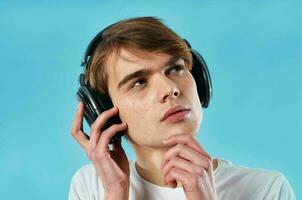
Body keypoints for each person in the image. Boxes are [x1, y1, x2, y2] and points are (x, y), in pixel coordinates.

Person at [69, 16, 295, 200]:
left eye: (175, 68)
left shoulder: (267, 189)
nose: (170, 88)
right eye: (139, 82)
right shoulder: (91, 186)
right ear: (104, 110)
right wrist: (116, 193)